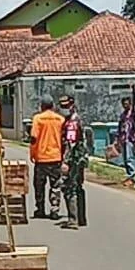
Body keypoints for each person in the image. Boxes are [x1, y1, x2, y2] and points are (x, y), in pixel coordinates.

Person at [28, 97, 65, 220]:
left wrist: (32, 154)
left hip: (41, 158)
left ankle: (40, 209)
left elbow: (33, 138)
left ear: (42, 106)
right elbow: (64, 140)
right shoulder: (60, 119)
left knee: (39, 185)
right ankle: (55, 209)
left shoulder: (38, 119)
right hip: (56, 157)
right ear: (53, 106)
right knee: (55, 185)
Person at [59, 95, 87, 229]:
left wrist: (65, 161)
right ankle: (81, 218)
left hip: (74, 160)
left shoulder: (73, 122)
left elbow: (71, 143)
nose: (63, 109)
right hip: (80, 158)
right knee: (78, 187)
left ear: (71, 105)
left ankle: (73, 219)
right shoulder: (74, 119)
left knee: (70, 188)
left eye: (65, 106)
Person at [117, 84, 135, 186]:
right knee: (125, 158)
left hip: (130, 138)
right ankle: (129, 175)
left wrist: (133, 90)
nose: (125, 105)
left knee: (130, 157)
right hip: (123, 139)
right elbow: (119, 127)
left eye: (127, 104)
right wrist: (118, 138)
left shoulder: (132, 113)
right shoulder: (123, 115)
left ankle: (132, 175)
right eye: (124, 104)